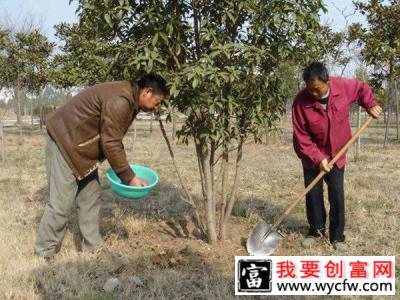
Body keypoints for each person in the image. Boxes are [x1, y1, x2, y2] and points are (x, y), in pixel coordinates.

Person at [35, 74, 168, 259]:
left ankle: (92, 247)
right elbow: (111, 142)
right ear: (147, 92)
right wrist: (129, 177)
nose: (157, 107)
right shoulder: (121, 100)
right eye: (157, 101)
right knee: (61, 203)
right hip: (64, 142)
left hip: (81, 148)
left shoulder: (129, 96)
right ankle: (44, 252)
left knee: (90, 196)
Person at [291, 62, 382, 251]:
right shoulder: (300, 102)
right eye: (309, 90)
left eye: (317, 89)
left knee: (336, 194)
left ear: (328, 81)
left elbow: (362, 89)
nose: (314, 94)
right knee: (313, 194)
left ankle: (337, 236)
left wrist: (371, 104)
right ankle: (315, 231)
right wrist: (318, 158)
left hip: (337, 152)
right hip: (311, 155)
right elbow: (301, 137)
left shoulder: (343, 87)